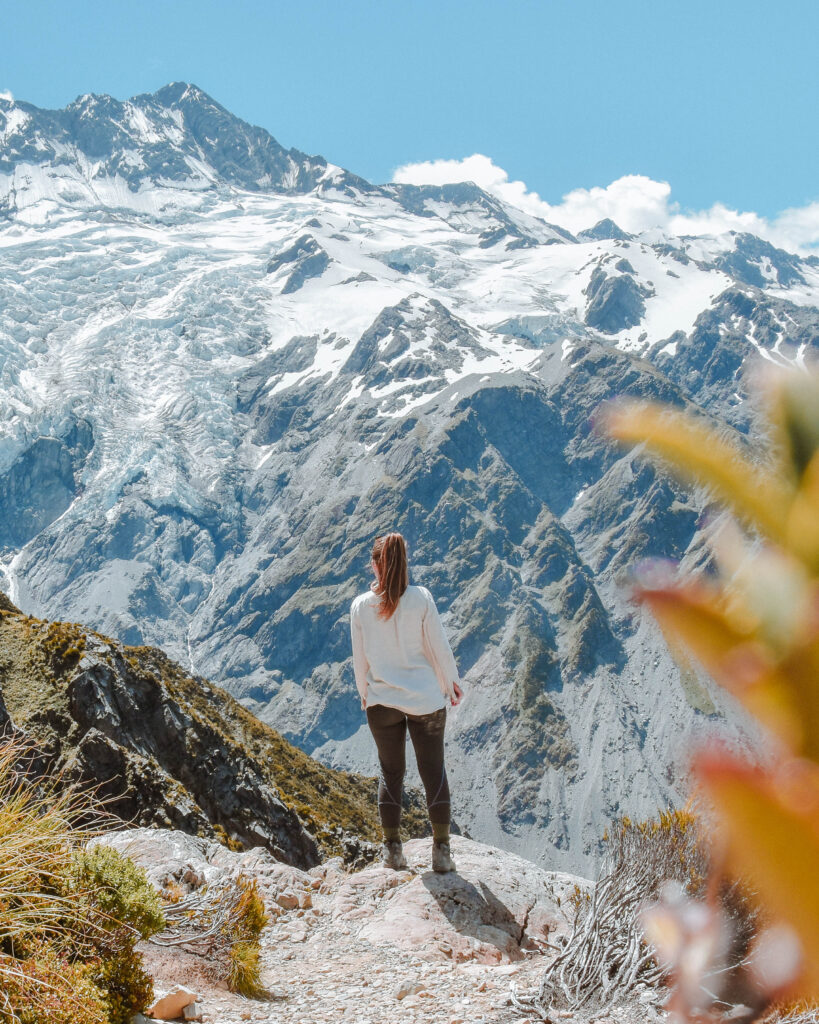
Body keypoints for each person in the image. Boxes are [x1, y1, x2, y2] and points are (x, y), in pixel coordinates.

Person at [350, 532, 463, 873]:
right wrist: (451, 684)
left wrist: (365, 694)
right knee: (433, 772)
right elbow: (439, 646)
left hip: (382, 703)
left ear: (374, 564)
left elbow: (360, 661)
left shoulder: (360, 607)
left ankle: (392, 851)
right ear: (405, 562)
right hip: (425, 700)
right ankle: (441, 851)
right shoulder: (422, 599)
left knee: (390, 772)